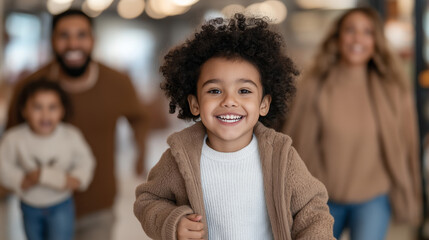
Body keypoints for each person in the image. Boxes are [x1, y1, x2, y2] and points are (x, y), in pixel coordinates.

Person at [134, 14, 334, 240]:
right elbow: (148, 200)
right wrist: (172, 221)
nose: (229, 100)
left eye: (244, 91)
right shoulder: (179, 158)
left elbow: (312, 208)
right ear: (195, 103)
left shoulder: (280, 156)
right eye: (215, 91)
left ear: (264, 104)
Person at [5, 9, 150, 240]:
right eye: (64, 36)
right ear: (52, 41)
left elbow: (139, 118)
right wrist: (11, 182)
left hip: (97, 207)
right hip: (40, 205)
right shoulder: (29, 87)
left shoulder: (117, 82)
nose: (73, 43)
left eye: (81, 35)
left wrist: (140, 152)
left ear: (93, 40)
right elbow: (10, 139)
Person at [283, 7, 422, 240]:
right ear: (337, 38)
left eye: (367, 32)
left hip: (373, 197)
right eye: (350, 30)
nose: (358, 38)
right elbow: (297, 142)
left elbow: (408, 146)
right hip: (322, 197)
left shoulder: (393, 89)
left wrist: (413, 194)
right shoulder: (313, 86)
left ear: (376, 41)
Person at [0, 80, 95, 240]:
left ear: (62, 110)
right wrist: (20, 179)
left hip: (61, 204)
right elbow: (3, 165)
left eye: (52, 107)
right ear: (24, 110)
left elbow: (86, 161)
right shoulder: (13, 138)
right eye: (37, 107)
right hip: (29, 206)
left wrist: (76, 178)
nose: (45, 114)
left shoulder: (71, 136)